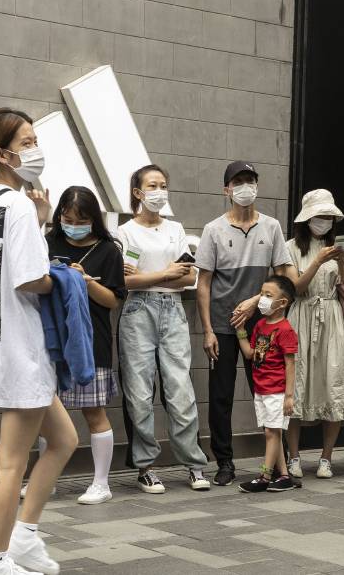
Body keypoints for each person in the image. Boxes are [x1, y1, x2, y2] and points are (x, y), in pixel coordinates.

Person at [0, 107, 76, 575]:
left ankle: (23, 539)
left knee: (63, 440)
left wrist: (43, 224)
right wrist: (69, 281)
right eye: (27, 142)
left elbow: (4, 272)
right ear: (2, 153)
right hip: (20, 345)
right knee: (10, 464)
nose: (35, 149)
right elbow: (29, 279)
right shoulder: (17, 204)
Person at [196, 161, 292, 487]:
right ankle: (224, 462)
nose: (245, 186)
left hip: (262, 323)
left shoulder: (272, 227)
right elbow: (204, 283)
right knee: (221, 396)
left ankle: (281, 464)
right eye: (238, 181)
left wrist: (256, 301)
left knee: (267, 392)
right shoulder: (213, 230)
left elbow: (283, 276)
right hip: (224, 326)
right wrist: (208, 330)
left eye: (250, 180)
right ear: (226, 189)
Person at [117, 164, 210, 494]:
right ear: (138, 192)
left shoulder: (175, 228)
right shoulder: (125, 232)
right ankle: (145, 466)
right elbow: (125, 281)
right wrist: (168, 272)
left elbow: (190, 276)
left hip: (172, 309)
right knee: (139, 392)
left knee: (180, 389)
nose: (160, 191)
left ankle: (194, 464)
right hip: (138, 309)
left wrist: (159, 274)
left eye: (163, 184)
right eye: (152, 185)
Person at [47, 187, 126, 504]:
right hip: (53, 336)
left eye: (81, 220)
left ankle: (101, 483)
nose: (73, 225)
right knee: (45, 412)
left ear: (94, 219)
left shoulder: (109, 251)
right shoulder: (49, 242)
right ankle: (47, 478)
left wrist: (88, 282)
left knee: (94, 411)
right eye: (67, 219)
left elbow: (113, 300)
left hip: (92, 340)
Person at [282, 189, 344, 479]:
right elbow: (296, 289)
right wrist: (318, 261)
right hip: (300, 316)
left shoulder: (341, 249)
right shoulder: (291, 247)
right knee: (297, 383)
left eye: (329, 216)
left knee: (334, 381)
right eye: (320, 216)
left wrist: (340, 260)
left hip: (331, 317)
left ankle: (326, 458)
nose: (325, 221)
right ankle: (293, 457)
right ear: (307, 218)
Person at [236, 275, 299, 493]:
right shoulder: (261, 325)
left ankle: (264, 476)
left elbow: (290, 365)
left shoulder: (285, 330)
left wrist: (289, 396)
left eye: (268, 295)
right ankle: (283, 476)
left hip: (277, 391)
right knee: (273, 432)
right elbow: (250, 353)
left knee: (272, 433)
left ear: (283, 303)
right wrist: (240, 329)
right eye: (261, 293)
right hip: (261, 389)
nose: (262, 299)